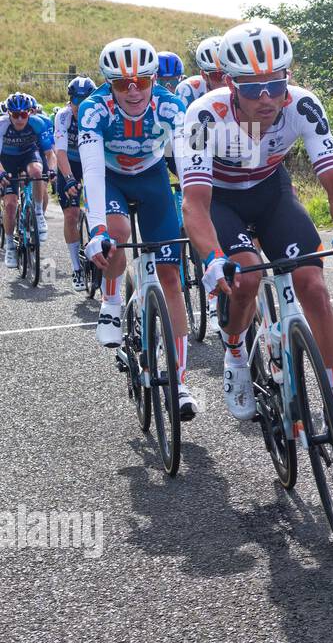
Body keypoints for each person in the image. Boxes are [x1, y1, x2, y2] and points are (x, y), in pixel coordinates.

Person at [179, 21, 333, 454]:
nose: (265, 98)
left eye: (274, 84)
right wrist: (210, 259)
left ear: (288, 78)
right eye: (251, 88)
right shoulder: (205, 115)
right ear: (229, 83)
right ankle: (234, 354)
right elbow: (195, 203)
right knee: (244, 279)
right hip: (221, 200)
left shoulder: (302, 105)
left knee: (314, 288)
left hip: (270, 191)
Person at [79, 38, 199, 419]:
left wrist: (198, 213)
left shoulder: (171, 104)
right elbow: (93, 172)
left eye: (141, 82)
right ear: (108, 85)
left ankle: (179, 382)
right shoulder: (93, 109)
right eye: (121, 84)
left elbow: (187, 159)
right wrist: (96, 229)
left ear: (152, 80)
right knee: (117, 234)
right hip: (112, 179)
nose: (133, 91)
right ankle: (111, 303)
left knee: (172, 278)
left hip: (152, 180)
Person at [1, 92, 55, 264]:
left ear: (30, 113)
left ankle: (38, 213)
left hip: (28, 154)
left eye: (23, 114)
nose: (19, 119)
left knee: (38, 173)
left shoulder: (39, 123)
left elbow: (49, 153)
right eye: (15, 115)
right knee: (9, 205)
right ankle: (9, 245)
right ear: (8, 113)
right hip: (7, 160)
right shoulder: (2, 126)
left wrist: (52, 170)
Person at [52, 76, 96, 289]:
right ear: (70, 101)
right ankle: (76, 267)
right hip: (69, 163)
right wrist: (69, 179)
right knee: (71, 214)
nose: (79, 107)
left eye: (84, 102)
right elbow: (59, 151)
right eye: (76, 102)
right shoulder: (63, 116)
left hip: (91, 162)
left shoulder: (98, 114)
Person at [175, 36, 225, 111]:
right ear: (204, 75)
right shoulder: (188, 90)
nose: (225, 81)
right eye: (218, 76)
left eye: (231, 75)